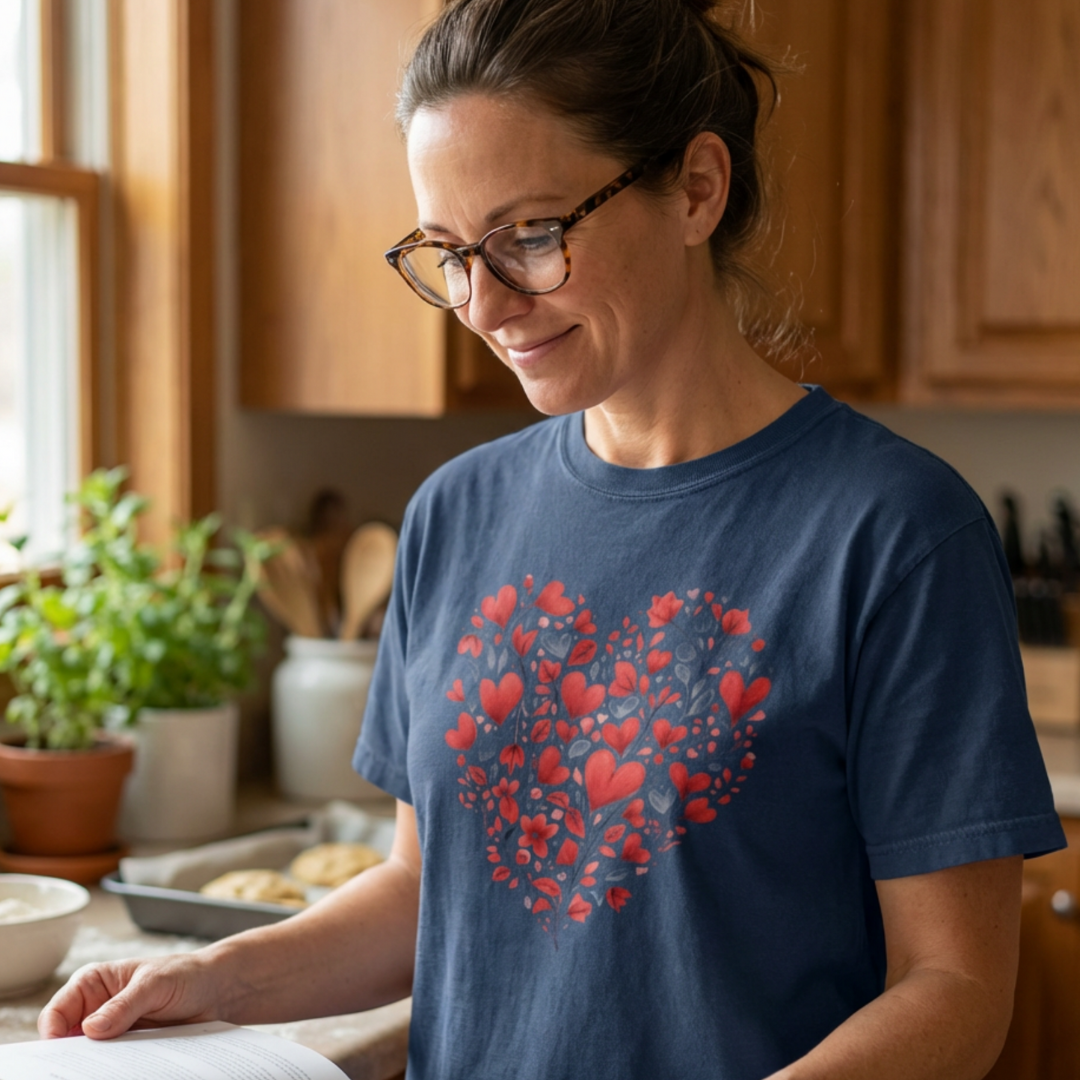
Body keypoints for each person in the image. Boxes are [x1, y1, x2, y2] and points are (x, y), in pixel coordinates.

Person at [40, 1, 1065, 1078]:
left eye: (531, 235)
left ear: (696, 189)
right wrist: (216, 981)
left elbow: (955, 988)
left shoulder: (896, 533)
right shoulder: (453, 513)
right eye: (448, 254)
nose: (484, 306)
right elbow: (425, 891)